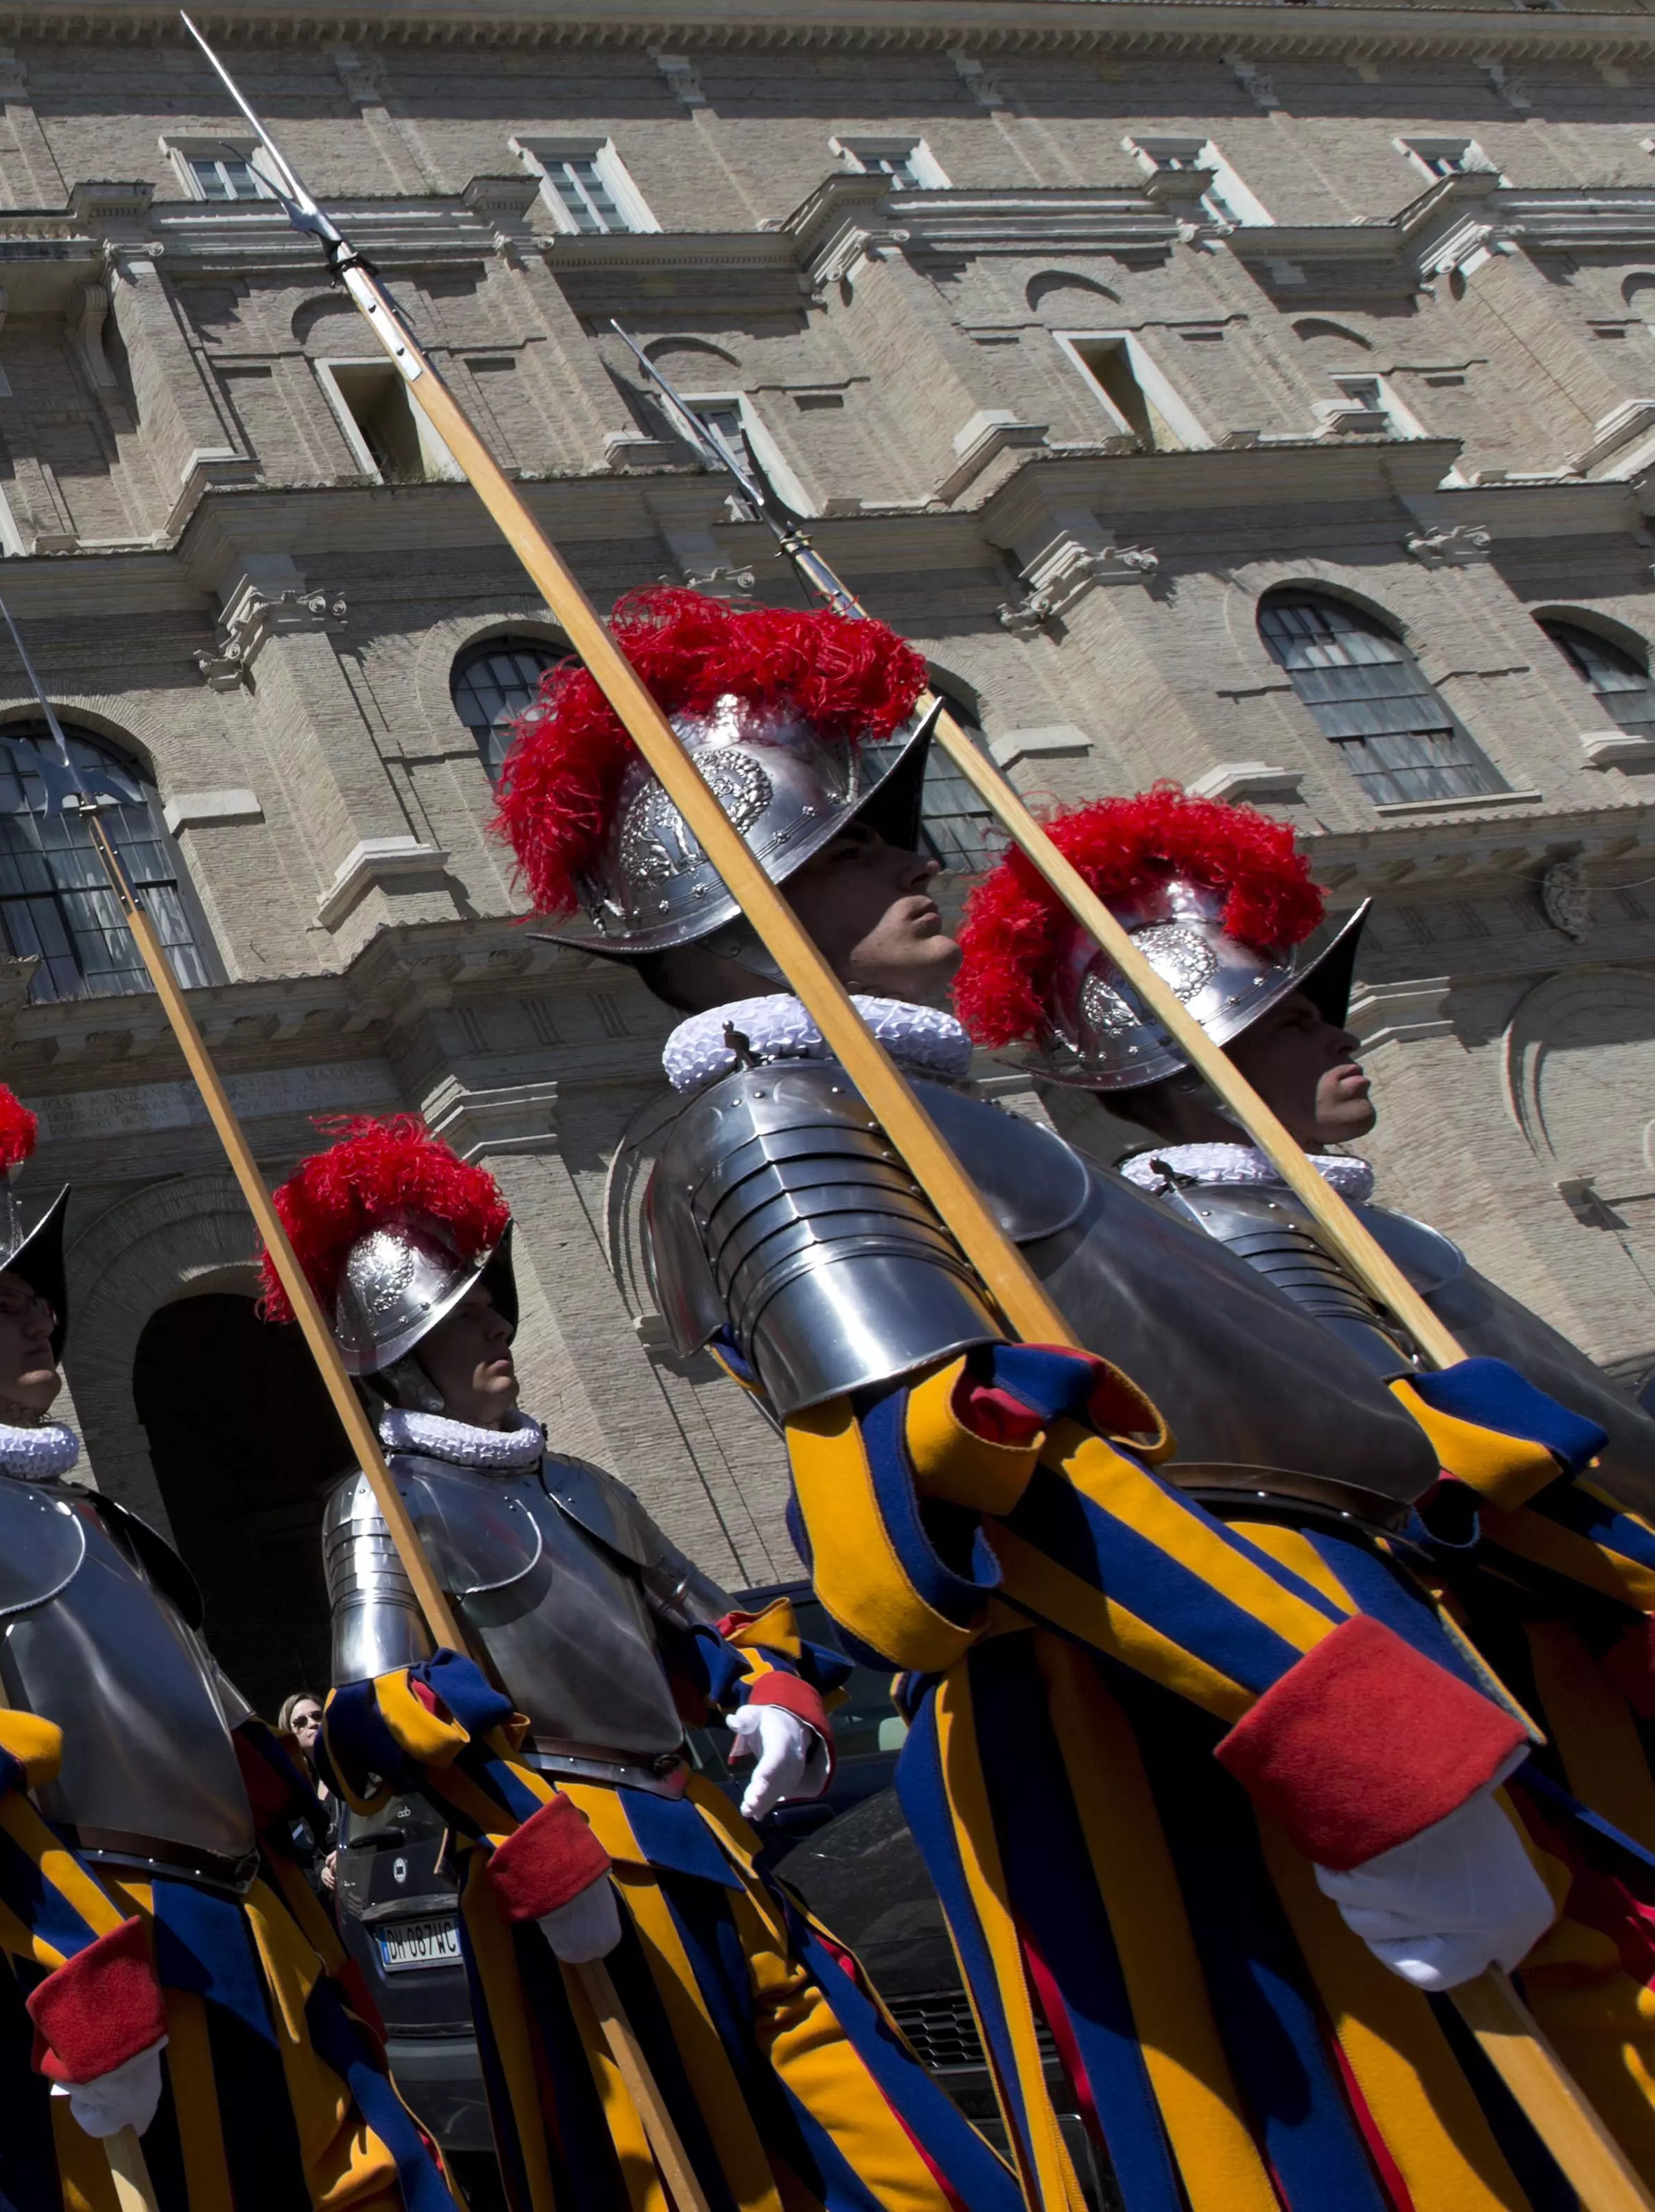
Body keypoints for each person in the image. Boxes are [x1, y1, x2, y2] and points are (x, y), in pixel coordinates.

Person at [492, 585, 1570, 2208]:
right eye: (865, 846)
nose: (923, 862)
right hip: (1176, 1712)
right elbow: (967, 1466)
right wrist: (1362, 1746)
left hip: (1262, 1667)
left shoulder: (923, 1112)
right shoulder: (776, 1121)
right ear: (744, 889)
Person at [954, 784, 1655, 2172]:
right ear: (1185, 1062)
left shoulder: (1313, 1206)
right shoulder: (1217, 1232)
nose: (1338, 1032)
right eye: (1289, 1019)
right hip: (1477, 1677)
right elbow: (1380, 1462)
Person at [270, 1115, 1020, 2211]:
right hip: (571, 1858)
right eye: (460, 1315)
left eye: (489, 1303)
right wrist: (515, 1822)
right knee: (686, 2167)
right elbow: (368, 1725)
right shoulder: (384, 1506)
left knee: (883, 2129)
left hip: (706, 1834)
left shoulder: (582, 1485)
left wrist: (774, 1695)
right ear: (399, 1356)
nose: (495, 1326)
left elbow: (722, 1625)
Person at [0, 1057, 481, 2212]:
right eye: (5, 1294)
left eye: (31, 1289)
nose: (42, 1306)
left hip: (246, 1945)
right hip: (95, 1966)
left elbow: (218, 1742)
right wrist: (80, 1968)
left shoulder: (91, 1516)